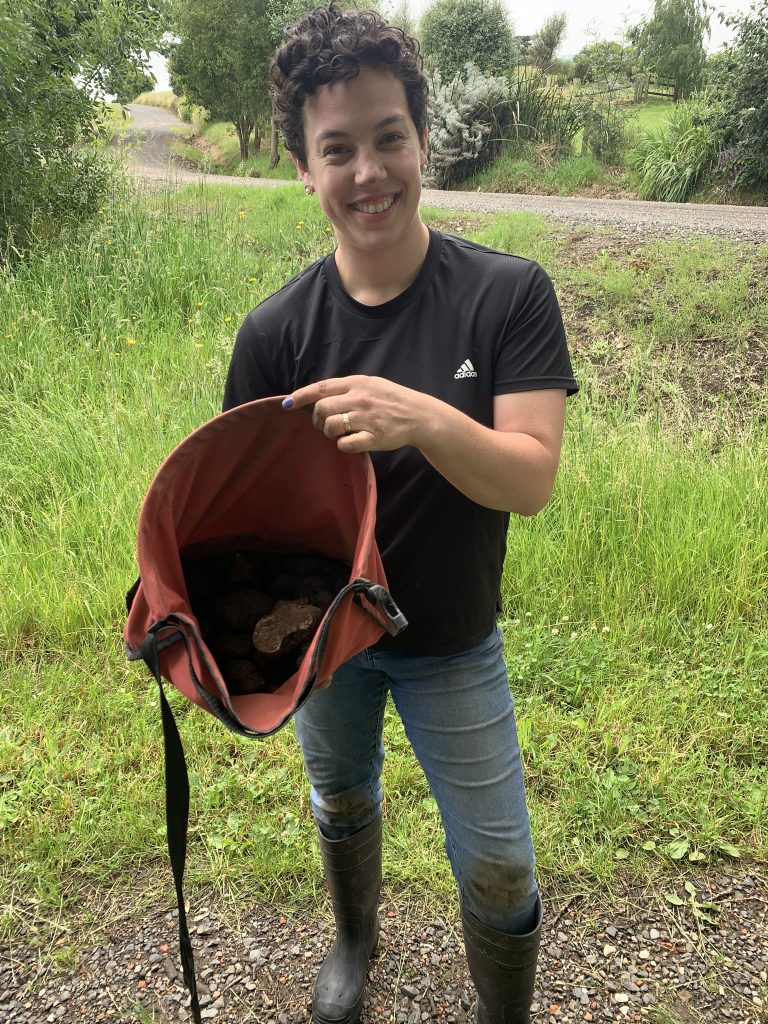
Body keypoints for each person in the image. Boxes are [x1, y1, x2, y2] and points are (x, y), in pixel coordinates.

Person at [223, 5, 578, 1022]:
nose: (368, 171)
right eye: (338, 148)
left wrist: (418, 415)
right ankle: (352, 941)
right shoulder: (276, 332)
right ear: (303, 166)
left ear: (424, 140)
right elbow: (241, 515)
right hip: (325, 642)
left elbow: (531, 479)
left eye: (388, 138)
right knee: (340, 797)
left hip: (453, 638)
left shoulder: (507, 296)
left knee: (503, 867)